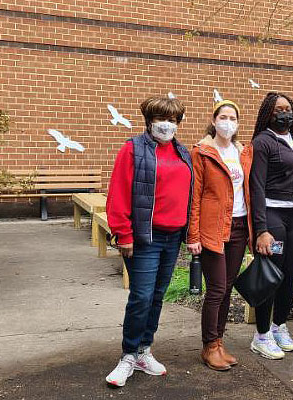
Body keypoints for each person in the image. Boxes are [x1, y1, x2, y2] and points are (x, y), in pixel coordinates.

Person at [105, 96, 192, 387]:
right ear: (149, 120)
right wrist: (124, 234)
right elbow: (118, 193)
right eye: (161, 119)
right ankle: (128, 355)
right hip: (145, 238)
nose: (167, 125)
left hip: (172, 238)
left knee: (156, 296)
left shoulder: (182, 153)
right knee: (141, 297)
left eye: (173, 120)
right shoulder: (133, 149)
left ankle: (144, 350)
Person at [186, 100, 253, 371]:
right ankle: (208, 346)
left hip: (238, 226)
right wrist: (193, 235)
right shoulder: (202, 152)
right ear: (213, 121)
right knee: (215, 289)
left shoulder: (242, 152)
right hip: (213, 228)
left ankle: (219, 342)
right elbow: (195, 197)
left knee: (226, 288)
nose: (228, 122)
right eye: (223, 117)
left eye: (233, 118)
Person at [249, 92, 293, 360]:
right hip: (273, 216)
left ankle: (279, 325)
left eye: (288, 108)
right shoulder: (263, 142)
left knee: (289, 275)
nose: (285, 113)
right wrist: (261, 229)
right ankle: (261, 335)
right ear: (268, 114)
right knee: (270, 276)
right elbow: (257, 187)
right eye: (278, 110)